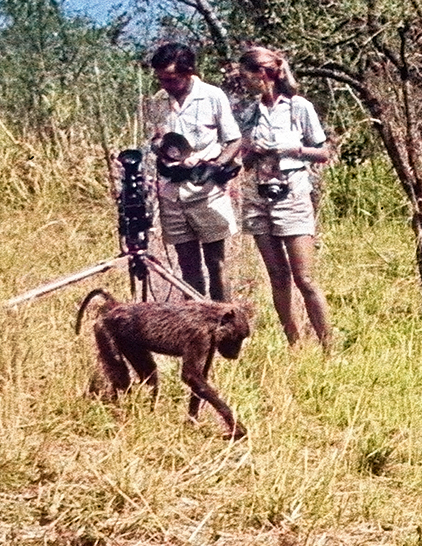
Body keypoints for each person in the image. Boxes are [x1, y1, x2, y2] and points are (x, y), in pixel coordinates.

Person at [235, 44, 335, 351]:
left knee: (304, 278)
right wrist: (252, 151)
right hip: (257, 194)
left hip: (292, 192)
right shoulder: (250, 112)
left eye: (247, 75)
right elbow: (244, 162)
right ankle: (295, 345)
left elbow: (324, 152)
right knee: (277, 277)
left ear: (264, 73)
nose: (244, 81)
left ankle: (329, 346)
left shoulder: (298, 107)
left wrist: (291, 150)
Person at [141, 39, 241, 302]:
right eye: (161, 79)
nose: (166, 85)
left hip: (206, 191)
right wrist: (161, 149)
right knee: (188, 267)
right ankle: (195, 330)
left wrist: (216, 165)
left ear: (189, 72)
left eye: (171, 79)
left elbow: (234, 139)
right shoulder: (159, 101)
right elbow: (154, 138)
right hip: (172, 193)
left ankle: (223, 323)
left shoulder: (212, 96)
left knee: (216, 264)